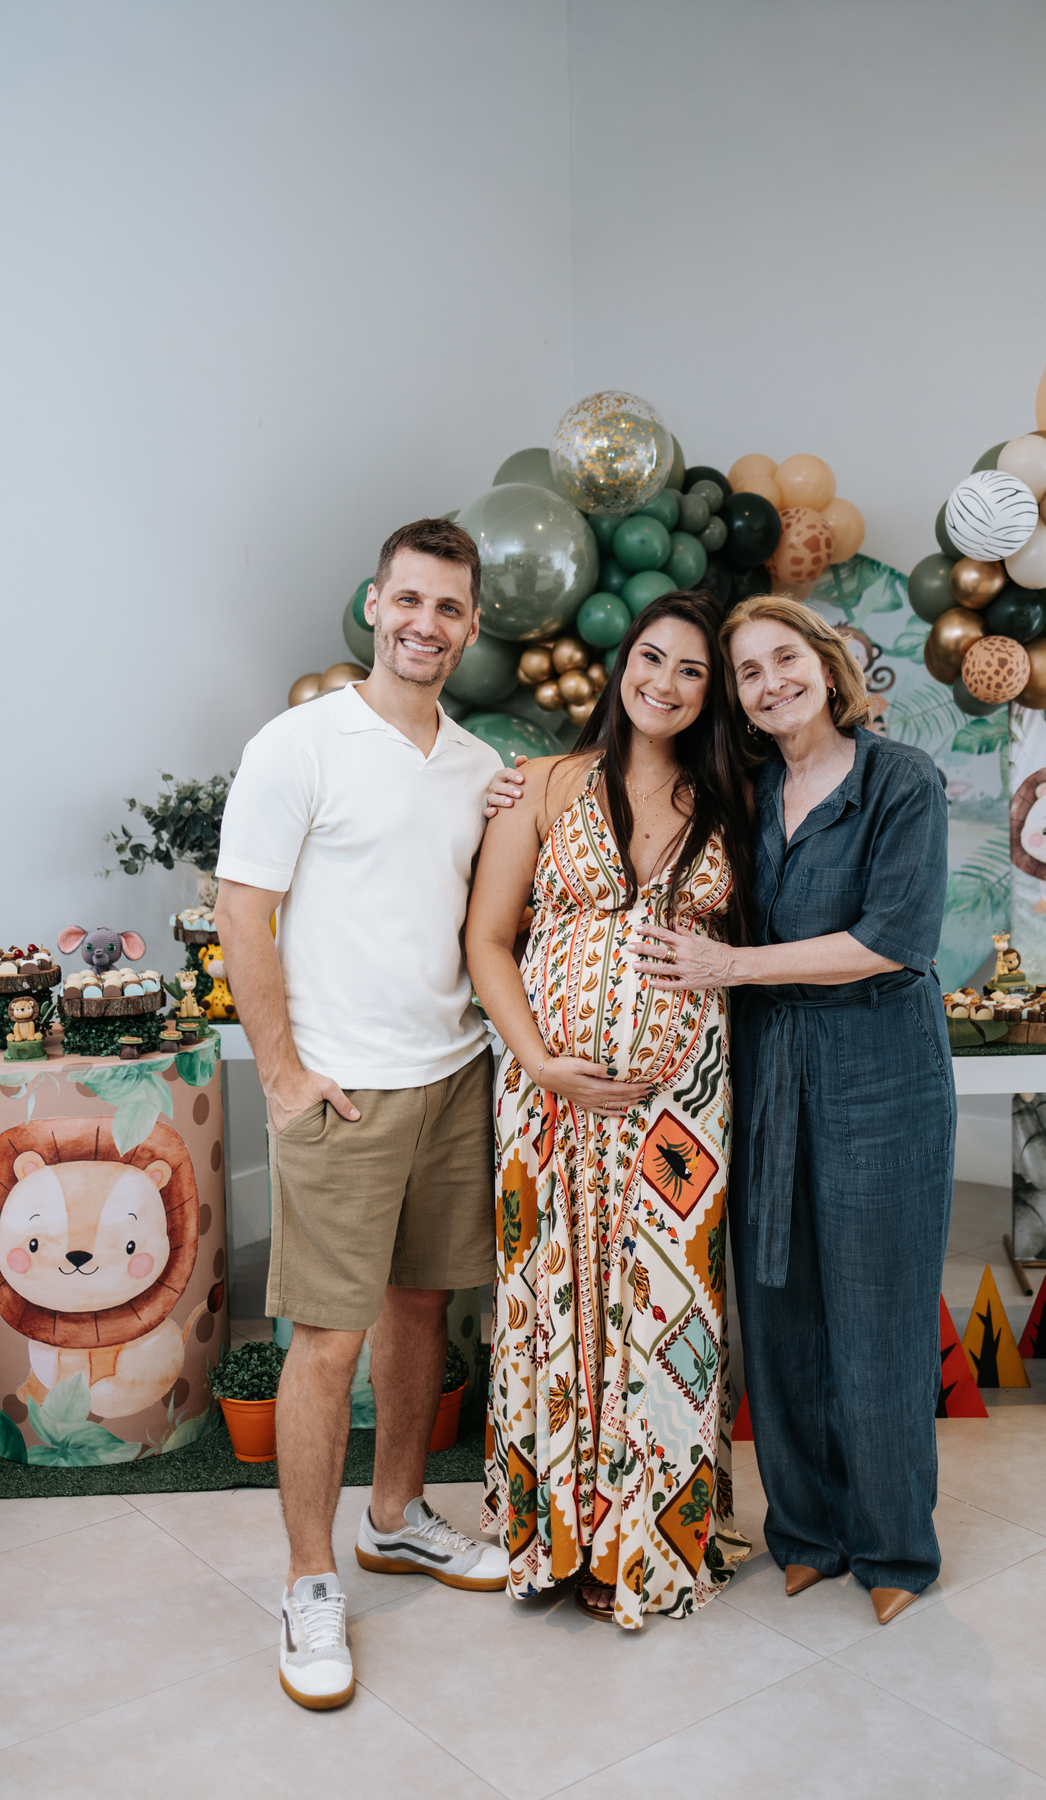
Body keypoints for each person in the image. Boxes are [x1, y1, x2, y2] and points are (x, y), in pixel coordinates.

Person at [215, 518, 519, 1711]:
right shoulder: (300, 745)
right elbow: (246, 916)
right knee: (325, 1341)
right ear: (374, 604)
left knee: (419, 1312)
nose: (425, 625)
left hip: (453, 1075)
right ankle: (306, 1579)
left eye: (449, 608)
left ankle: (396, 1518)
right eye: (408, 601)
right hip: (343, 1090)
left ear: (472, 624)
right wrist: (284, 1076)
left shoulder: (475, 761)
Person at [632, 594, 954, 1628]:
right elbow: (633, 794)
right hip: (770, 1064)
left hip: (880, 1062)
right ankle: (807, 1532)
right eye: (748, 673)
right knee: (775, 1305)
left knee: (878, 1313)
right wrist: (524, 784)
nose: (771, 683)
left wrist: (731, 965)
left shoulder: (901, 782)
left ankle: (895, 1544)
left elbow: (892, 937)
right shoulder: (744, 788)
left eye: (786, 659)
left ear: (827, 661)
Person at [466, 590, 754, 1628]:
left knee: (667, 1304)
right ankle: (552, 1535)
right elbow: (490, 940)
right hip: (546, 1098)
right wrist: (541, 1061)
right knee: (551, 1292)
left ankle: (648, 1540)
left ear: (711, 694)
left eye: (691, 671)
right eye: (652, 657)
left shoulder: (731, 796)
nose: (664, 683)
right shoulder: (542, 785)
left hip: (680, 1110)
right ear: (622, 663)